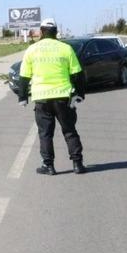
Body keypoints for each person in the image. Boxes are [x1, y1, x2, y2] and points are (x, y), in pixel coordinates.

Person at [17, 19, 87, 175]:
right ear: (56, 32)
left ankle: (48, 166)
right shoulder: (66, 49)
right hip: (63, 97)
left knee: (45, 133)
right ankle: (77, 164)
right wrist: (80, 94)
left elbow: (23, 77)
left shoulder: (32, 50)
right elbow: (78, 74)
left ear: (41, 32)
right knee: (69, 130)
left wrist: (22, 97)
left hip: (41, 99)